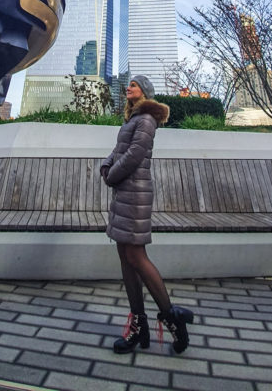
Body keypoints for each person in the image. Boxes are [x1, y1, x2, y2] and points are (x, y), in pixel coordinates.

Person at [100, 75, 194, 355]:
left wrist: (111, 176)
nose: (128, 88)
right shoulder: (132, 119)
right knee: (125, 259)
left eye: (133, 85)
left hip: (135, 194)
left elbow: (134, 156)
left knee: (137, 256)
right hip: (123, 193)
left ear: (145, 92)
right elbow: (118, 151)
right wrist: (105, 166)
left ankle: (173, 318)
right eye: (128, 85)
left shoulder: (146, 120)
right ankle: (139, 326)